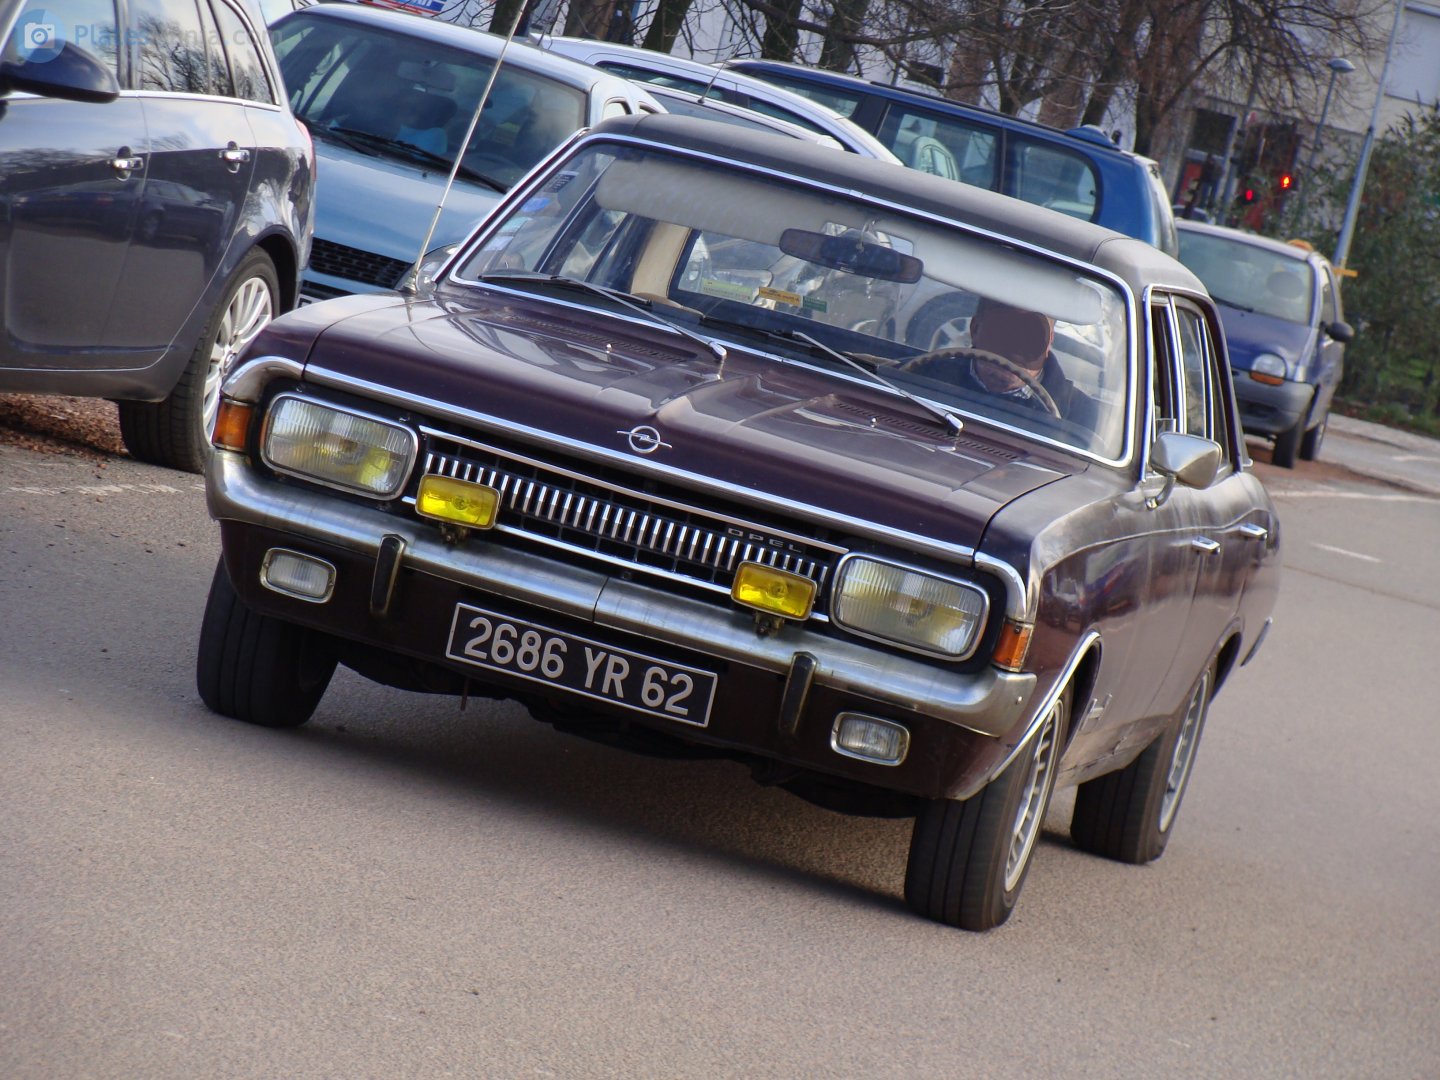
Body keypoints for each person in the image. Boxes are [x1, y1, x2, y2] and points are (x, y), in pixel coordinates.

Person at [906, 296, 1100, 429]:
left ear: (1048, 342)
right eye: (1001, 331)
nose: (1013, 349)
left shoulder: (1083, 418)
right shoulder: (921, 378)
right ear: (975, 329)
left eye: (1029, 335)